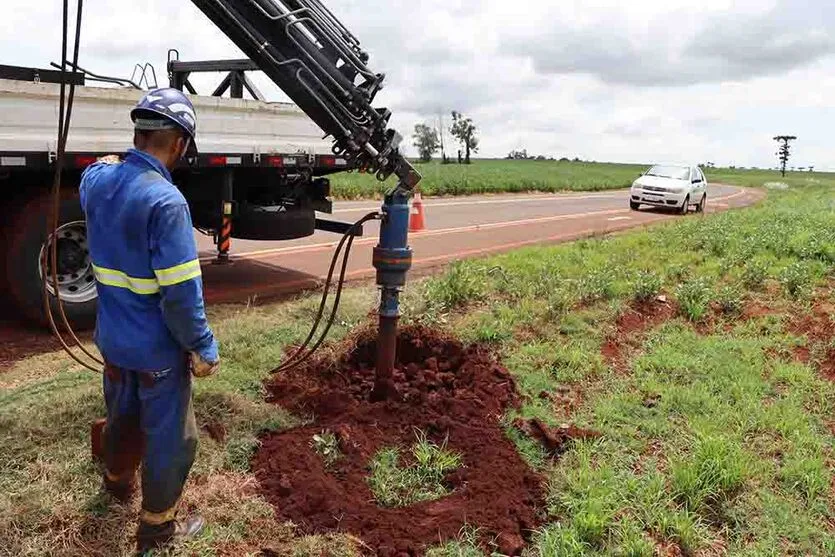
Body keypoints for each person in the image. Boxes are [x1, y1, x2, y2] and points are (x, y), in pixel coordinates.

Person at [80, 88, 220, 553]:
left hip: (113, 341)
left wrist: (108, 161)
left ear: (138, 134)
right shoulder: (167, 203)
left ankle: (117, 482)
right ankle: (158, 528)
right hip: (156, 351)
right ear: (179, 143)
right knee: (172, 438)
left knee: (122, 413)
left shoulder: (96, 182)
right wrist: (202, 345)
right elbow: (180, 297)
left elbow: (97, 169)